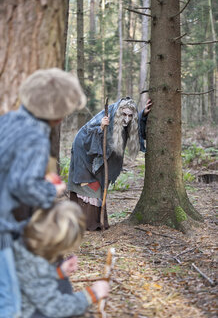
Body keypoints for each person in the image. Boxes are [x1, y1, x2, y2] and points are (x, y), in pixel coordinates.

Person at [0, 68, 86, 318]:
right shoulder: (36, 136)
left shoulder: (8, 120)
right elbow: (23, 186)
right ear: (58, 117)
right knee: (9, 302)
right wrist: (53, 188)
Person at [13, 200, 109, 318]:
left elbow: (34, 281)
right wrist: (91, 295)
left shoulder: (26, 241)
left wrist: (59, 271)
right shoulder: (35, 262)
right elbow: (54, 307)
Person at [68, 96, 152, 231]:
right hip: (85, 149)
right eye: (124, 115)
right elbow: (89, 134)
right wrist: (101, 127)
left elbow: (134, 130)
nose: (126, 119)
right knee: (88, 182)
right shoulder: (109, 116)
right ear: (119, 112)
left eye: (130, 116)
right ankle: (85, 222)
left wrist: (142, 114)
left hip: (99, 152)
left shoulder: (128, 120)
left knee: (98, 182)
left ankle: (95, 221)